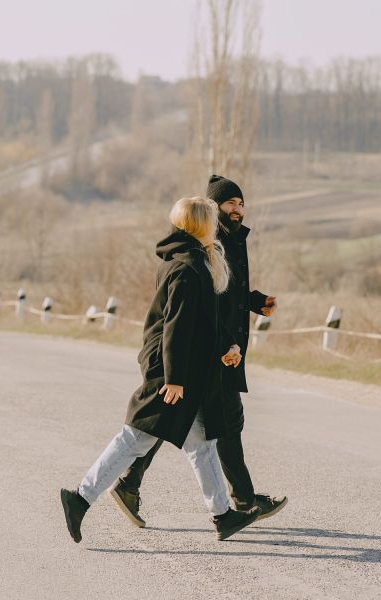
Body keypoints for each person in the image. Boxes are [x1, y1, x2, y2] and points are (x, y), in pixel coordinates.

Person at [60, 197, 261, 543]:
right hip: (170, 372)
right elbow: (176, 328)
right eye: (211, 221)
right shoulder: (186, 267)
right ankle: (79, 499)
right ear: (199, 225)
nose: (215, 226)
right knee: (134, 439)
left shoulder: (198, 261)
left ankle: (223, 516)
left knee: (201, 443)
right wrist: (174, 380)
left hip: (186, 372)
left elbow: (207, 321)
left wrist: (229, 346)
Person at [109, 175, 287, 528]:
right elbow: (204, 303)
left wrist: (254, 301)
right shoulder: (210, 241)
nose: (238, 209)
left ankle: (131, 484)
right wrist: (224, 346)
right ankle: (243, 502)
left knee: (191, 420)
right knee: (216, 422)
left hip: (223, 346)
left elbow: (227, 291)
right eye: (231, 203)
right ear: (213, 208)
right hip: (214, 349)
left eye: (241, 203)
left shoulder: (232, 239)